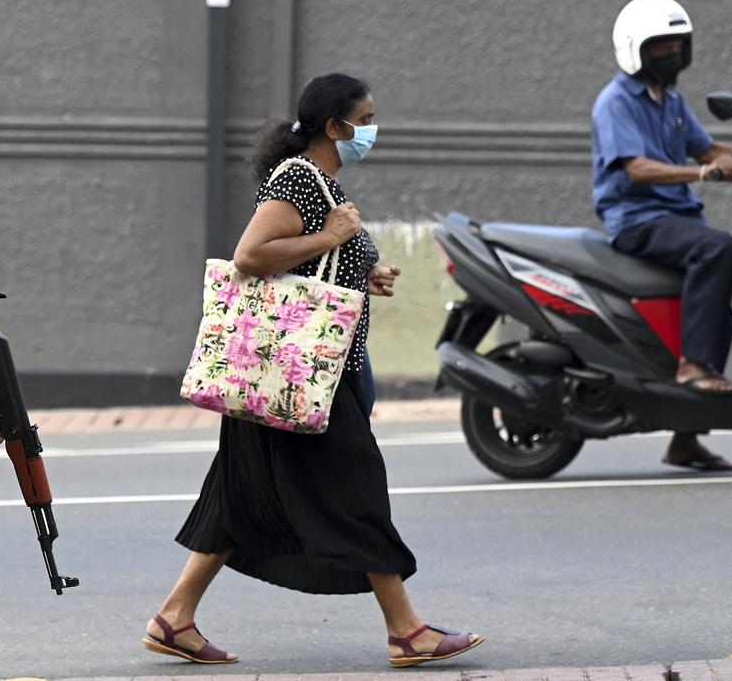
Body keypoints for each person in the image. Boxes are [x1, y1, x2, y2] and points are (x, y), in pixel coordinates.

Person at [142, 73, 484, 668]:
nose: (372, 129)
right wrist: (330, 235)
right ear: (335, 126)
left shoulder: (323, 184)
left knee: (236, 496)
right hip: (305, 378)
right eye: (366, 118)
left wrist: (362, 275)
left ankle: (174, 618)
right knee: (359, 487)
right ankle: (407, 630)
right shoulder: (299, 179)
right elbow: (252, 256)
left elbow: (310, 266)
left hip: (289, 376)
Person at [591, 0, 732, 472]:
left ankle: (685, 441)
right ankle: (692, 365)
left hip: (676, 220)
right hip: (636, 220)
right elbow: (636, 169)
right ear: (636, 49)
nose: (673, 53)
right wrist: (706, 176)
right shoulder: (616, 101)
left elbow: (706, 148)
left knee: (721, 318)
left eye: (679, 44)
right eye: (662, 45)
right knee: (718, 247)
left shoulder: (673, 100)